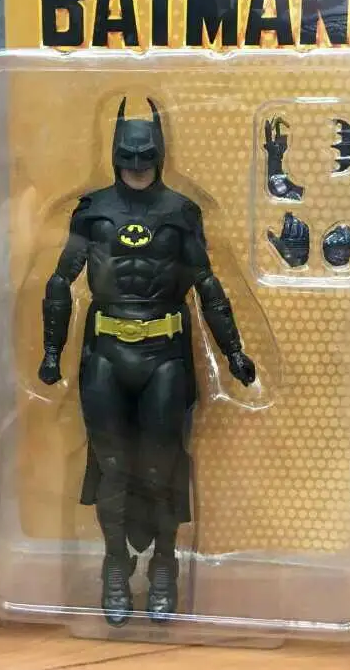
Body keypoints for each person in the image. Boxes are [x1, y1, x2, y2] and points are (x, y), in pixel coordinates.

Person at [39, 97, 256, 625]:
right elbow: (60, 281)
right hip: (106, 353)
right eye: (128, 154)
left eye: (146, 154)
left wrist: (233, 350)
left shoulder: (181, 212)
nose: (137, 163)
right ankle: (115, 565)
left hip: (164, 353)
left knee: (162, 466)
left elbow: (207, 284)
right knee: (112, 465)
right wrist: (51, 350)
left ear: (160, 152)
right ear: (115, 152)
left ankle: (164, 566)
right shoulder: (92, 210)